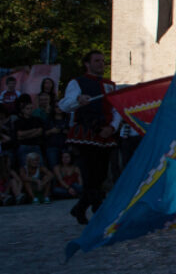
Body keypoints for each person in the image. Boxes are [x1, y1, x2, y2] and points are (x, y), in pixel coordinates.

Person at [59, 51, 120, 224]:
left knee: (99, 176)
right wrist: (78, 99)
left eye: (103, 61)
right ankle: (99, 208)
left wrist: (112, 127)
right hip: (85, 133)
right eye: (97, 61)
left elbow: (116, 110)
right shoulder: (77, 82)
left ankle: (80, 208)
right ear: (87, 64)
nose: (101, 64)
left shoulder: (110, 85)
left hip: (105, 134)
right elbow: (64, 104)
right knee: (89, 175)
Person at [12, 97, 45, 169]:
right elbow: (19, 134)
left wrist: (24, 135)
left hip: (35, 146)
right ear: (23, 110)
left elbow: (39, 132)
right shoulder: (18, 121)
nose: (30, 110)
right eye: (27, 108)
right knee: (24, 167)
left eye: (31, 108)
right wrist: (33, 130)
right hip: (23, 146)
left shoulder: (37, 120)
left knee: (40, 167)